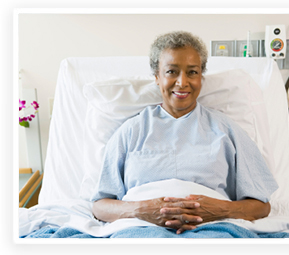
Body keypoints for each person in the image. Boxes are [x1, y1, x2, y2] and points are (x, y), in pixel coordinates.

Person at [91, 31, 278, 236]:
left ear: (201, 77)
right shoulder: (131, 131)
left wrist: (219, 210)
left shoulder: (227, 130)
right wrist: (143, 210)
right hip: (141, 228)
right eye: (171, 72)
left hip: (214, 228)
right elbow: (100, 206)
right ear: (157, 77)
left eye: (192, 72)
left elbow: (262, 206)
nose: (182, 82)